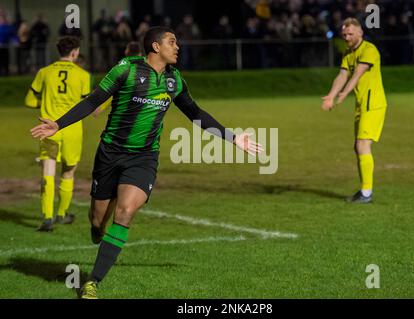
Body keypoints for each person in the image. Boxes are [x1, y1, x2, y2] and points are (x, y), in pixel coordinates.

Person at [30, 26, 262, 298]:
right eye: (172, 42)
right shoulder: (126, 70)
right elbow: (93, 100)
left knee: (125, 212)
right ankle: (99, 225)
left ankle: (93, 282)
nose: (178, 47)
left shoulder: (174, 80)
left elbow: (195, 113)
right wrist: (58, 124)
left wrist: (233, 138)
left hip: (143, 158)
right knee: (97, 223)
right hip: (109, 154)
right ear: (155, 47)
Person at [25, 36, 91, 231]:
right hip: (72, 130)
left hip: (48, 129)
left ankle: (47, 218)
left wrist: (43, 104)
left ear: (59, 51)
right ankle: (62, 213)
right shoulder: (83, 75)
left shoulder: (44, 72)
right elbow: (86, 105)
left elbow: (29, 100)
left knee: (48, 171)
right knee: (69, 171)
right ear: (75, 52)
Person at [321, 18, 387, 204]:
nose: (347, 38)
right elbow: (342, 75)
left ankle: (366, 194)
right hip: (361, 105)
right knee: (358, 148)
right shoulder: (348, 53)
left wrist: (343, 95)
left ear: (360, 33)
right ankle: (364, 190)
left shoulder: (369, 50)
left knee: (362, 146)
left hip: (373, 104)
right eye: (344, 35)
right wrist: (331, 95)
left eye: (350, 34)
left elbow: (357, 74)